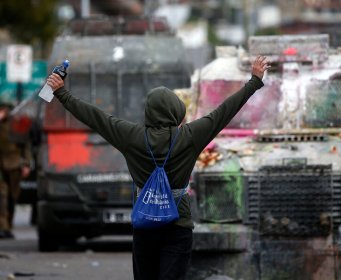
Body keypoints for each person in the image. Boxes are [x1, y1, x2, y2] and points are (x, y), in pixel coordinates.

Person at [46, 55, 270, 280]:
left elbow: (95, 117)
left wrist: (61, 93)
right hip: (178, 225)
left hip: (145, 225)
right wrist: (254, 81)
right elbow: (223, 112)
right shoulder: (190, 136)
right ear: (175, 111)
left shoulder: (131, 136)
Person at [0, 100, 32, 239]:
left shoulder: (16, 124)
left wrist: (26, 164)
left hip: (14, 164)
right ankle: (3, 227)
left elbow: (25, 146)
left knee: (13, 197)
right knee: (1, 197)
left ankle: (9, 225)